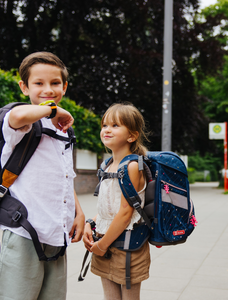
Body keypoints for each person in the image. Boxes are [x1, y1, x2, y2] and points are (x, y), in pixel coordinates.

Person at [0, 51, 85, 300]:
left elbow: (64, 175)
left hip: (56, 231)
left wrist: (78, 211)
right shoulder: (22, 121)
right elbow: (19, 115)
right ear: (24, 87)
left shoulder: (63, 129)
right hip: (25, 230)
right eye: (38, 83)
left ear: (64, 86)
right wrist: (53, 111)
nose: (48, 89)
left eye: (54, 83)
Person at [83, 103, 150, 300]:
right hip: (105, 238)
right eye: (104, 125)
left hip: (128, 244)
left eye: (115, 125)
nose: (107, 130)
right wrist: (92, 222)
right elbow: (109, 206)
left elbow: (125, 213)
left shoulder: (131, 166)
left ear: (132, 136)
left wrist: (102, 245)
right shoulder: (107, 164)